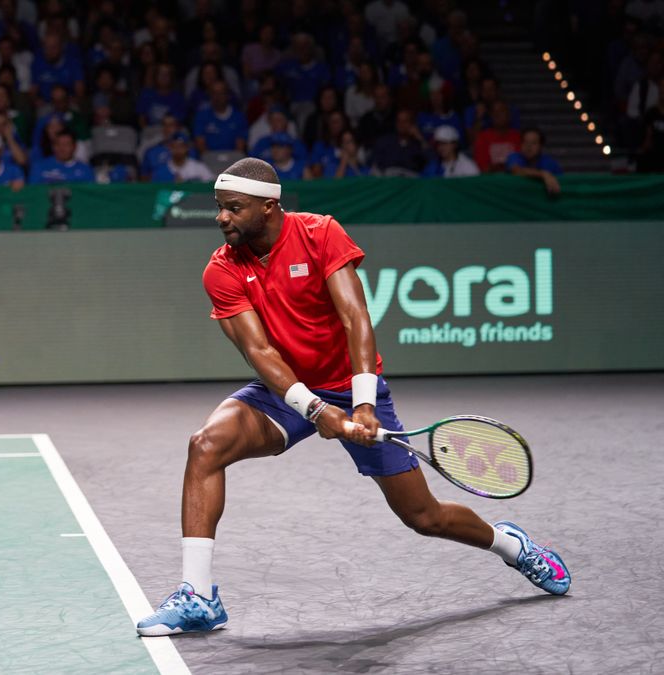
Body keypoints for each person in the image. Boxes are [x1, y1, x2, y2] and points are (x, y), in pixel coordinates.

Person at [134, 157, 572, 637]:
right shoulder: (221, 269)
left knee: (424, 517)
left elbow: (355, 318)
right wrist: (317, 409)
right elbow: (259, 350)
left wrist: (361, 402)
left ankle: (511, 546)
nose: (221, 219)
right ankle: (198, 597)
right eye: (219, 208)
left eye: (233, 208)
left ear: (268, 206)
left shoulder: (321, 233)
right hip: (284, 391)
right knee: (205, 446)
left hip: (351, 382)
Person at [192, 81, 247, 154]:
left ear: (227, 95)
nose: (217, 96)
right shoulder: (202, 116)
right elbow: (200, 144)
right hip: (208, 161)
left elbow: (240, 148)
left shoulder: (239, 117)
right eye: (214, 93)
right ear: (210, 95)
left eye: (221, 93)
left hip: (233, 161)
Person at [507, 128, 562, 194]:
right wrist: (543, 174)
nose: (528, 146)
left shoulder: (550, 163)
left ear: (541, 146)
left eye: (533, 143)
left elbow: (561, 182)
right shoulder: (514, 157)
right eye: (525, 142)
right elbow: (516, 171)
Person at [29, 128, 94, 184]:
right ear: (53, 146)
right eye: (58, 144)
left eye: (66, 144)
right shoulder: (39, 167)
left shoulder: (85, 170)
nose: (61, 148)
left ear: (74, 147)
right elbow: (32, 192)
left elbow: (89, 195)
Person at [473, 101, 521, 173]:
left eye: (501, 111)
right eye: (494, 112)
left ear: (509, 115)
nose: (497, 114)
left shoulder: (518, 136)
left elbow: (522, 165)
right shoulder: (483, 137)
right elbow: (483, 168)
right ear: (491, 116)